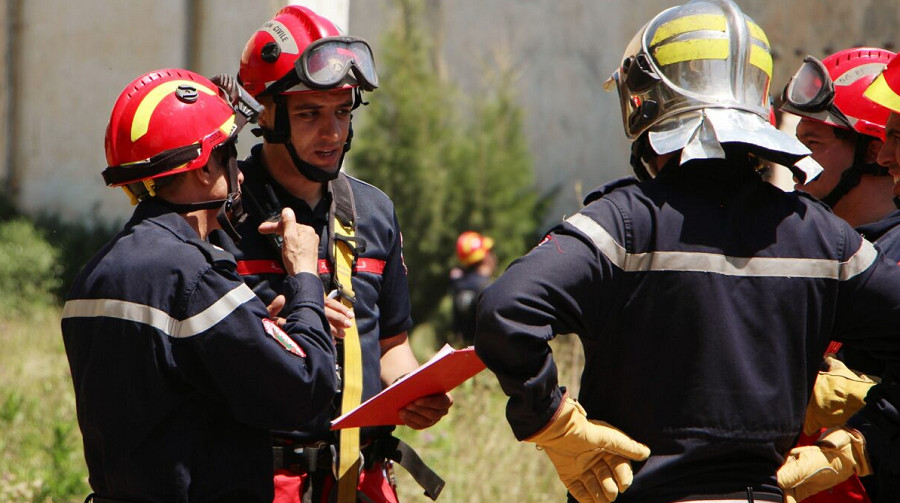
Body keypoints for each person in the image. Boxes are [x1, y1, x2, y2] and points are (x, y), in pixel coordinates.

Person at [473, 1, 900, 502]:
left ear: (647, 103)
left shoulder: (623, 224)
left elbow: (506, 309)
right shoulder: (822, 236)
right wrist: (864, 441)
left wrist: (553, 421)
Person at [62, 68, 338, 503]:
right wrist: (305, 279)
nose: (241, 175)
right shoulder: (196, 275)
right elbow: (306, 387)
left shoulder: (95, 273)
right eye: (229, 154)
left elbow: (171, 387)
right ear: (203, 166)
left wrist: (256, 334)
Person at [210, 6, 451, 502]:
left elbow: (392, 346)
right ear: (265, 114)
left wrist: (412, 390)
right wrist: (280, 324)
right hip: (262, 481)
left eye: (342, 111)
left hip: (361, 477)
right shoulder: (222, 214)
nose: (333, 132)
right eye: (309, 114)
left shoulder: (375, 212)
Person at [779, 46, 898, 503]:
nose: (795, 161)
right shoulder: (811, 249)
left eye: (813, 144)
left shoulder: (891, 260)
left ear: (873, 152)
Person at [449, 231, 497, 345]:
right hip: (488, 349)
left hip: (466, 348)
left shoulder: (457, 285)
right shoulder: (489, 287)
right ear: (486, 258)